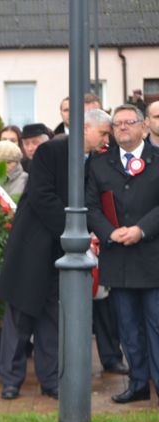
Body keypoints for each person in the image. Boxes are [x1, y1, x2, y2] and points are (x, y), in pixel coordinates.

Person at [0, 108, 112, 400]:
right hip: (33, 247)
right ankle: (11, 381)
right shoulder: (52, 149)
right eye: (104, 132)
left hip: (61, 250)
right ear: (87, 128)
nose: (106, 138)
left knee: (51, 318)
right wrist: (73, 231)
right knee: (20, 316)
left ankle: (51, 381)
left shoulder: (95, 159)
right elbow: (41, 195)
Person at [87, 104, 159, 404]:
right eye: (117, 124)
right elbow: (89, 205)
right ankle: (139, 383)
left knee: (156, 325)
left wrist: (141, 229)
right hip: (117, 257)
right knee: (128, 327)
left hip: (152, 255)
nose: (123, 127)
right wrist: (109, 232)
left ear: (144, 126)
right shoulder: (99, 164)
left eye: (130, 122)